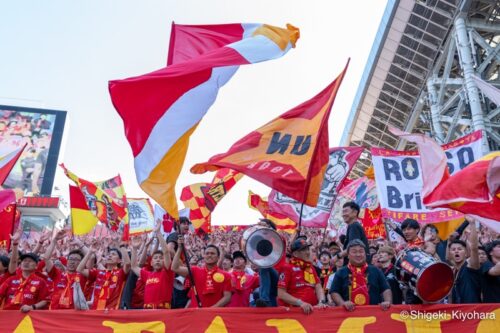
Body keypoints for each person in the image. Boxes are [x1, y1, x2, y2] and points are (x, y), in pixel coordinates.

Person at [330, 240, 391, 311]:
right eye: (354, 252)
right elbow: (334, 292)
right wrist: (342, 303)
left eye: (361, 251)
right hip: (349, 314)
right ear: (348, 256)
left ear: (365, 254)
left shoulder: (376, 270)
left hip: (374, 314)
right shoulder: (341, 272)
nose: (358, 254)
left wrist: (387, 302)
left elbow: (386, 288)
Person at [172, 237, 231, 308]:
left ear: (218, 257)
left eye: (212, 253)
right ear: (204, 256)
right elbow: (174, 268)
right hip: (196, 315)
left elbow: (227, 297)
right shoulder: (195, 270)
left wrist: (212, 308)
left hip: (215, 315)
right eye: (207, 253)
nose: (209, 255)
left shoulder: (226, 275)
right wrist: (179, 249)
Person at [0, 232, 51, 312]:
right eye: (24, 261)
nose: (26, 263)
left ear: (36, 266)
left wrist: (32, 307)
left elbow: (45, 300)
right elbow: (13, 261)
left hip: (27, 319)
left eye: (30, 261)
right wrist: (15, 243)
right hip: (8, 317)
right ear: (20, 264)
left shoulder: (40, 282)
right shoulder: (11, 279)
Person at [130, 222, 174, 309]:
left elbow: (166, 252)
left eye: (161, 258)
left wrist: (158, 233)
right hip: (147, 313)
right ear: (151, 263)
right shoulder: (147, 275)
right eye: (155, 258)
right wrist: (134, 249)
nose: (158, 259)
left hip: (163, 312)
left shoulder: (168, 273)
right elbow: (134, 266)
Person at [277, 238, 327, 314]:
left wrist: (322, 301)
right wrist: (301, 303)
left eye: (307, 249)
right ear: (295, 254)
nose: (307, 252)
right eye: (303, 250)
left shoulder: (310, 267)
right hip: (294, 313)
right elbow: (281, 294)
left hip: (312, 311)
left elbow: (318, 286)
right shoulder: (287, 268)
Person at [77, 240, 130, 310]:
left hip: (112, 312)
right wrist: (90, 252)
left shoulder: (120, 273)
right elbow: (79, 269)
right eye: (109, 254)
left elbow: (128, 264)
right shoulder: (98, 272)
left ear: (119, 261)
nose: (110, 255)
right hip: (96, 311)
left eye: (113, 254)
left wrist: (122, 247)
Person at [43, 230, 88, 309]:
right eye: (70, 259)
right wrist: (54, 240)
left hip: (73, 315)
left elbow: (91, 257)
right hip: (54, 313)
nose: (72, 262)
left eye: (76, 260)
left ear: (82, 262)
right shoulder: (57, 274)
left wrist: (80, 244)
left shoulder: (84, 275)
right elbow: (46, 258)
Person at [448, 218, 481, 304]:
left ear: (466, 253)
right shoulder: (453, 271)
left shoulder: (470, 266)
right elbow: (451, 296)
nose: (456, 251)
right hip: (458, 313)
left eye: (459, 249)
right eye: (453, 249)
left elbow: (474, 248)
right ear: (450, 254)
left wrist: (472, 224)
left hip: (474, 313)